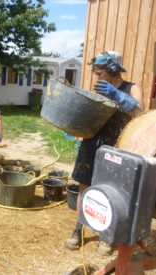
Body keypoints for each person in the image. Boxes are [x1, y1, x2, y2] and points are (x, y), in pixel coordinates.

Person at [65, 51, 144, 255]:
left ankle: (106, 235)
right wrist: (75, 126)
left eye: (99, 72)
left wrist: (118, 96)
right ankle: (79, 229)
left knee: (112, 192)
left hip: (118, 147)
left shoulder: (132, 88)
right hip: (93, 143)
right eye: (95, 72)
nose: (96, 76)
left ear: (112, 70)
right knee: (85, 187)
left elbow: (141, 115)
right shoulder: (100, 89)